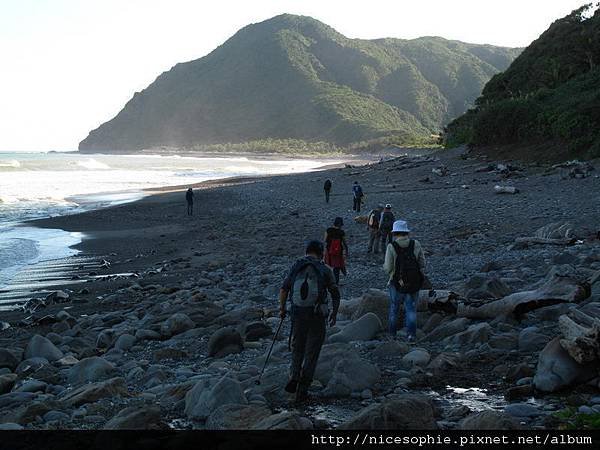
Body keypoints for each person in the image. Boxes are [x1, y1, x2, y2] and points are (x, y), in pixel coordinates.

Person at [279, 240, 340, 402]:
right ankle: (303, 390)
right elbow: (335, 292)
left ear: (306, 251)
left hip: (298, 314)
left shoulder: (296, 266)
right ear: (321, 253)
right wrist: (334, 313)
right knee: (312, 352)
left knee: (297, 347)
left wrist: (282, 309)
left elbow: (284, 289)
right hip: (317, 315)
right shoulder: (324, 269)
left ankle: (294, 375)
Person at [383, 220, 426, 342]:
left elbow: (388, 268)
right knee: (411, 309)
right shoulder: (415, 244)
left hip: (396, 282)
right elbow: (422, 262)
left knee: (394, 308)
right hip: (413, 282)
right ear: (406, 232)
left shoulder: (391, 246)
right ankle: (411, 335)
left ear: (395, 232)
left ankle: (392, 335)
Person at [324, 217, 349, 284]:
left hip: (329, 251)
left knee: (328, 265)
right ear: (340, 224)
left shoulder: (328, 230)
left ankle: (327, 280)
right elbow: (345, 243)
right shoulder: (341, 232)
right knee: (336, 268)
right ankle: (336, 282)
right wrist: (346, 251)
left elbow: (325, 240)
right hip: (338, 252)